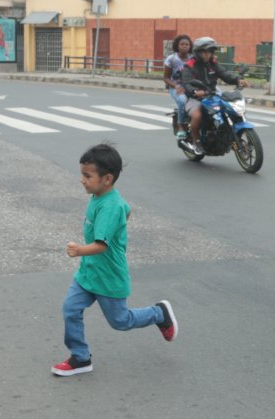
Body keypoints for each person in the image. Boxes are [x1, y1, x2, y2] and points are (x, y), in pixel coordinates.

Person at [52, 144, 178, 377]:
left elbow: (101, 245)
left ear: (107, 179)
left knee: (121, 321)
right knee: (70, 309)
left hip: (109, 276)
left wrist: (78, 250)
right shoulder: (101, 196)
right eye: (82, 174)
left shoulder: (110, 206)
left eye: (87, 176)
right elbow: (126, 210)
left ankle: (158, 314)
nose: (82, 180)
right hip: (88, 273)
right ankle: (80, 357)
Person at [179, 36, 249, 156]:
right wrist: (195, 91)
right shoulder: (189, 66)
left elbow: (225, 74)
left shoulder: (213, 63)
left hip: (213, 94)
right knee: (197, 116)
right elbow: (186, 83)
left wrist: (238, 80)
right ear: (197, 52)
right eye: (204, 52)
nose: (207, 54)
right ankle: (197, 142)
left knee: (230, 109)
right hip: (195, 98)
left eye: (210, 51)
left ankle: (227, 136)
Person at [163, 34, 193, 139]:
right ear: (177, 45)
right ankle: (180, 126)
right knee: (182, 101)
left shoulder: (192, 58)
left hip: (190, 87)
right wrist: (176, 86)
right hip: (175, 88)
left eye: (187, 44)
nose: (185, 46)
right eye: (182, 44)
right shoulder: (172, 59)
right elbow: (166, 78)